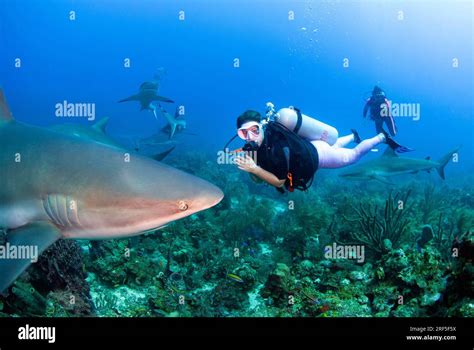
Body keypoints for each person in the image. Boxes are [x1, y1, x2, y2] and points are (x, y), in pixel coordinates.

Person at [233, 108, 409, 193]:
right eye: (243, 133)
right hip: (312, 145)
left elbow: (279, 182)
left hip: (319, 155)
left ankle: (382, 137)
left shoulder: (277, 145)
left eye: (255, 130)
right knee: (336, 145)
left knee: (352, 156)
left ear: (262, 127)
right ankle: (353, 137)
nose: (250, 136)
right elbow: (258, 180)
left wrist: (253, 168)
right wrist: (252, 164)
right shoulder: (257, 149)